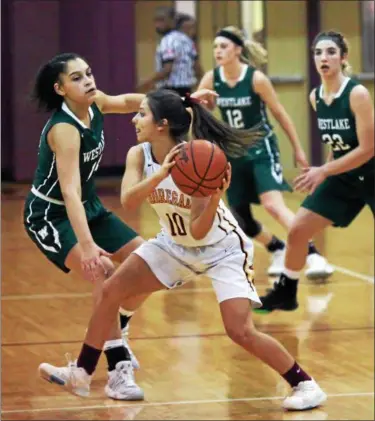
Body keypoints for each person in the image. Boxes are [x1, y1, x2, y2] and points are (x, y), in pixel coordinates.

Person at [38, 88, 327, 411]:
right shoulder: (140, 154)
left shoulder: (199, 156)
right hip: (173, 244)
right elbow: (129, 200)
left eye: (142, 114)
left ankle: (305, 384)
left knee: (240, 331)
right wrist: (161, 174)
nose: (135, 118)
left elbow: (198, 229)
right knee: (110, 290)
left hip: (222, 249)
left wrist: (216, 197)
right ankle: (82, 372)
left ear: (161, 124)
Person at [24, 52, 150, 400]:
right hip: (51, 215)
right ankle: (118, 370)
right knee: (104, 274)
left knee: (148, 261)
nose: (88, 81)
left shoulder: (95, 105)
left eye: (89, 73)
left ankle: (115, 325)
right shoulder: (64, 130)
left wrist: (180, 102)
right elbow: (69, 191)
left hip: (88, 207)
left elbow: (126, 101)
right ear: (60, 88)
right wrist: (89, 246)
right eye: (77, 78)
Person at [198, 26, 334, 279]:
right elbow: (200, 112)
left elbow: (280, 114)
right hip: (233, 152)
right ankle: (278, 249)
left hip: (262, 148)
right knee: (241, 219)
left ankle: (314, 255)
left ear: (238, 50)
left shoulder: (255, 79)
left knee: (273, 205)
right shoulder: (211, 79)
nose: (218, 51)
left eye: (223, 46)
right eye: (215, 47)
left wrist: (298, 149)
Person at [258, 30, 374, 312]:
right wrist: (322, 174)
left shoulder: (357, 93)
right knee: (298, 230)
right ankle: (286, 293)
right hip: (345, 175)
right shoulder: (316, 97)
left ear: (343, 57)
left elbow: (368, 148)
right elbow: (339, 145)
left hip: (371, 171)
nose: (324, 58)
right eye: (318, 52)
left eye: (331, 52)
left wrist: (323, 170)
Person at [137, 6, 200, 97]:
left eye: (162, 20)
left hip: (170, 90)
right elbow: (197, 67)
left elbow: (167, 69)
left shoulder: (168, 40)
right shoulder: (187, 40)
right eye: (156, 21)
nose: (158, 25)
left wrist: (147, 83)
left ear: (172, 21)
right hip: (187, 90)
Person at [176, 13, 204, 84]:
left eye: (193, 28)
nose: (192, 31)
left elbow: (196, 66)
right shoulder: (176, 44)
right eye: (187, 28)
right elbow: (196, 67)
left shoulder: (192, 43)